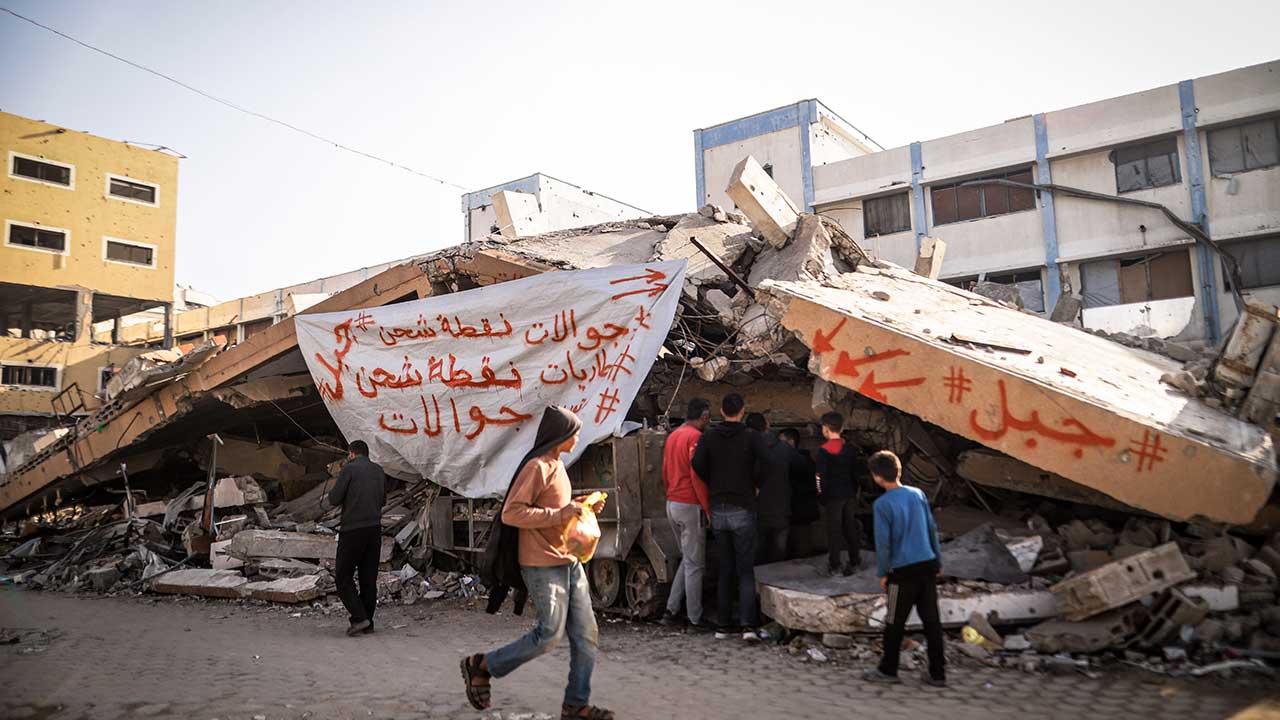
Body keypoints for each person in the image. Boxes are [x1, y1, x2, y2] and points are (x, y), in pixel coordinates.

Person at [461, 406, 614, 720]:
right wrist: (561, 514)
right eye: (574, 433)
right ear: (561, 436)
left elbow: (557, 509)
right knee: (549, 634)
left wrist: (582, 507)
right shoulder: (537, 467)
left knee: (587, 635)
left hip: (569, 562)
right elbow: (512, 513)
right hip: (542, 565)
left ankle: (576, 705)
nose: (577, 439)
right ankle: (483, 664)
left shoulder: (557, 464)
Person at [862, 450, 946, 688]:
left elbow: (884, 543)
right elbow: (931, 529)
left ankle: (888, 669)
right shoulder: (917, 494)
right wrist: (937, 560)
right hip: (927, 565)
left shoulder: (882, 504)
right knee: (932, 622)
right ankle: (937, 673)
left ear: (877, 477)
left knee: (894, 622)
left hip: (902, 571)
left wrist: (883, 572)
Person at [691, 393, 763, 641]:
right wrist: (754, 483)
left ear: (721, 411)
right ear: (742, 411)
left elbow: (698, 465)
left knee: (725, 567)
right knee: (745, 569)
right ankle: (748, 626)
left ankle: (723, 625)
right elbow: (764, 464)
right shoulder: (751, 438)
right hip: (743, 506)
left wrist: (714, 481)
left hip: (719, 508)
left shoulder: (709, 436)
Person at [660, 398, 712, 629]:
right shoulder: (695, 438)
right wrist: (707, 508)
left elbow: (664, 472)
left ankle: (671, 610)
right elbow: (697, 476)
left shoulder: (673, 436)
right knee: (695, 564)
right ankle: (695, 617)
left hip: (672, 503)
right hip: (689, 504)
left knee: (688, 560)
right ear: (704, 416)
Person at [328, 440, 386, 636]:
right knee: (368, 578)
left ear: (351, 453)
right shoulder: (378, 470)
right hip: (374, 529)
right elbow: (383, 500)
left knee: (343, 576)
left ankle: (359, 617)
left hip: (353, 530)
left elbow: (334, 498)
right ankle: (368, 622)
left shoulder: (349, 469)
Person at [815, 412, 863, 575]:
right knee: (850, 526)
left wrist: (821, 495)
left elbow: (820, 476)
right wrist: (856, 490)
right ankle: (855, 560)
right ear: (841, 428)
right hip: (849, 494)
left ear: (826, 429)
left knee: (834, 529)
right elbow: (855, 473)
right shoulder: (850, 449)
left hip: (833, 497)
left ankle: (835, 564)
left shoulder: (824, 451)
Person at [746, 413, 791, 565]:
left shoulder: (745, 449)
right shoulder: (783, 448)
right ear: (767, 426)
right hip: (781, 507)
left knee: (756, 555)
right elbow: (802, 468)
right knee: (778, 557)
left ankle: (757, 587)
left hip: (756, 510)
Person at [778, 428, 819, 559]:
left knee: (802, 549)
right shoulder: (804, 460)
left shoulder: (799, 461)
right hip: (797, 510)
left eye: (781, 441)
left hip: (800, 510)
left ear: (791, 441)